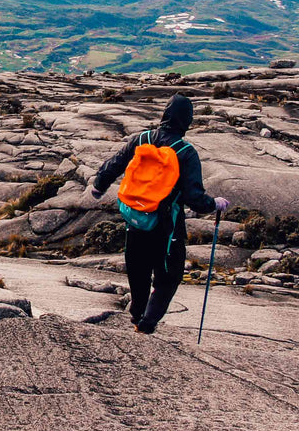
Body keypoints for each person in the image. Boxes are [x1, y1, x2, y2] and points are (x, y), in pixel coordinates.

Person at [89, 93, 229, 334]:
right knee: (168, 277)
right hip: (166, 227)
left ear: (164, 114)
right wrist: (214, 204)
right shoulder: (185, 152)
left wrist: (98, 186)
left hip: (135, 220)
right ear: (187, 121)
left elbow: (115, 163)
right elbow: (194, 197)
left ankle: (136, 317)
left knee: (138, 271)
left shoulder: (141, 139)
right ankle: (146, 324)